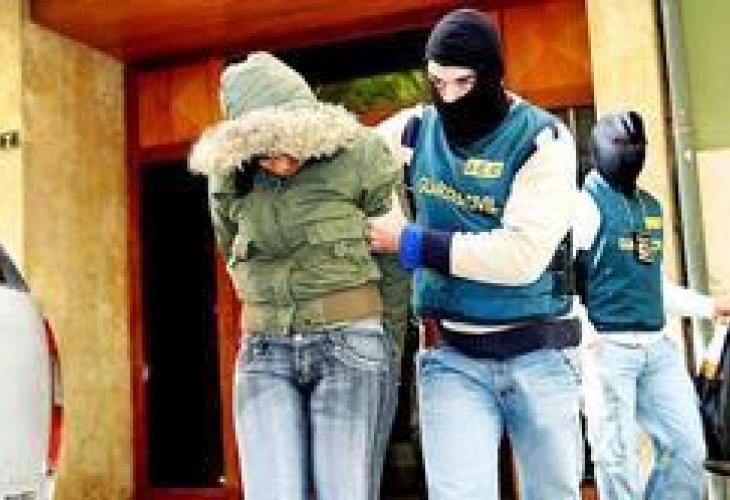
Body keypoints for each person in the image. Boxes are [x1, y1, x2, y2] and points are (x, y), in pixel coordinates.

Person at [369, 8, 583, 500]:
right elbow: (353, 158)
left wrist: (410, 242)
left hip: (540, 354)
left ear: (491, 74)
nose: (449, 97)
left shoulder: (543, 140)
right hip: (450, 357)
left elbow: (520, 256)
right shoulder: (415, 129)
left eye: (462, 82)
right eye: (437, 83)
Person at [189, 52, 405, 500]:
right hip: (264, 351)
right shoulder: (227, 177)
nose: (280, 162)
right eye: (263, 153)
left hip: (351, 346)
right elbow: (229, 248)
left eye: (288, 144)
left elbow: (394, 261)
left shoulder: (362, 153)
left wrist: (389, 348)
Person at [575, 110, 730, 500]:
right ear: (599, 147)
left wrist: (710, 306)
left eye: (638, 144)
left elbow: (653, 286)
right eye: (621, 144)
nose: (631, 152)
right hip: (607, 348)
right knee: (616, 460)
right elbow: (560, 283)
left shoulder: (650, 207)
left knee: (688, 448)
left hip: (656, 347)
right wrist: (586, 337)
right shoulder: (584, 206)